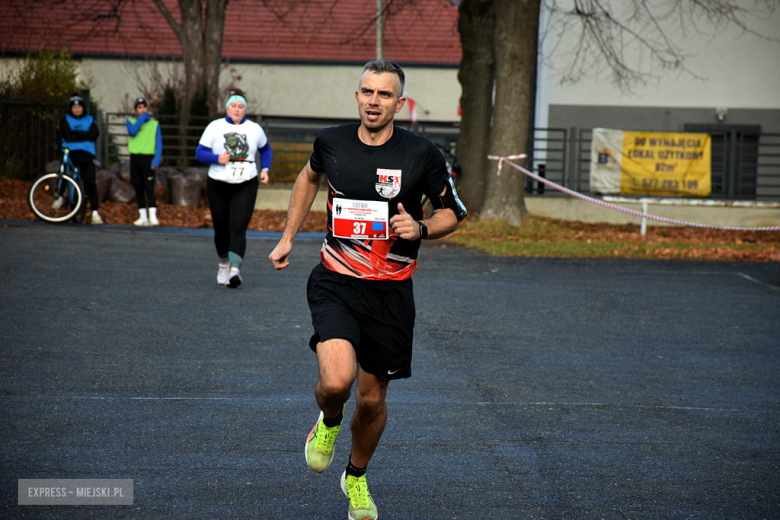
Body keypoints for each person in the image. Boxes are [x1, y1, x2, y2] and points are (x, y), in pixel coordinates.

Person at [269, 60, 466, 520]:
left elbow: (452, 212)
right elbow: (308, 178)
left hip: (391, 292)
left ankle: (355, 477)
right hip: (336, 281)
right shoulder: (331, 142)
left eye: (384, 94)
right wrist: (287, 237)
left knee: (373, 398)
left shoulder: (422, 154)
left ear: (400, 103)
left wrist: (420, 228)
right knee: (337, 382)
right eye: (366, 92)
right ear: (357, 96)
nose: (373, 101)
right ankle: (329, 420)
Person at [195, 88, 272, 288]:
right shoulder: (215, 127)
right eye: (233, 106)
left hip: (246, 182)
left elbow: (265, 149)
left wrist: (265, 169)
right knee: (221, 229)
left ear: (245, 109)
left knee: (237, 226)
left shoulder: (254, 129)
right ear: (227, 107)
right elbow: (200, 153)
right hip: (218, 182)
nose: (237, 110)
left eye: (241, 106)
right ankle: (224, 264)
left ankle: (235, 271)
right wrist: (216, 158)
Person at [60, 94, 101, 224]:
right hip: (71, 153)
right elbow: (67, 136)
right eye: (74, 107)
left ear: (83, 108)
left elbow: (94, 134)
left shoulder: (90, 120)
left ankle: (95, 212)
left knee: (90, 182)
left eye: (79, 107)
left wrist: (76, 133)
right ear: (71, 109)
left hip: (86, 154)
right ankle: (60, 196)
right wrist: (84, 135)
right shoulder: (65, 119)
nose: (77, 110)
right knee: (65, 175)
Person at [126, 97, 163, 226]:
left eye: (144, 107)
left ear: (147, 108)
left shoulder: (154, 124)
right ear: (136, 110)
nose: (142, 110)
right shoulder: (131, 122)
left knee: (149, 187)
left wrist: (156, 160)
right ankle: (143, 216)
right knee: (138, 186)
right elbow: (133, 131)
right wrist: (142, 118)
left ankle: (153, 215)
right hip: (135, 158)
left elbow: (158, 143)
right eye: (139, 108)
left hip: (148, 158)